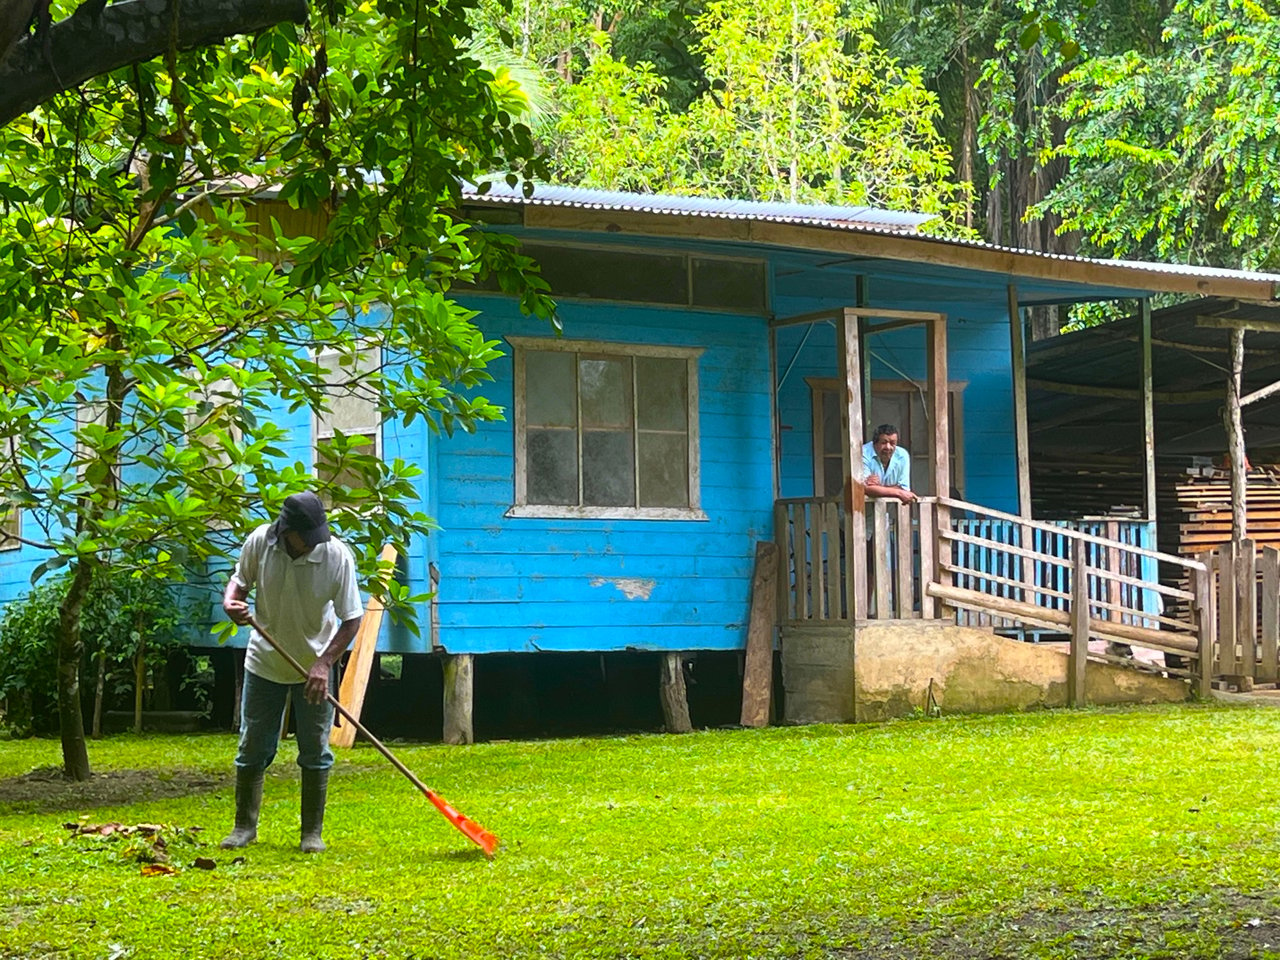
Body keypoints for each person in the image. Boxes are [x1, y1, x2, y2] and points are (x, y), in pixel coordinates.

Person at [220, 491, 363, 854]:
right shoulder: (259, 543)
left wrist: (323, 664)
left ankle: (311, 833)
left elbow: (352, 619)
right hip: (264, 663)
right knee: (253, 747)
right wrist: (230, 600)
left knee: (315, 751)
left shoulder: (335, 556)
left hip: (313, 670)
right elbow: (240, 580)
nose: (315, 543)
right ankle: (243, 827)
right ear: (285, 531)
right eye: (307, 536)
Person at [861, 423, 918, 503]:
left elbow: (904, 488)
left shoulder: (902, 455)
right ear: (875, 443)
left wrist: (877, 488)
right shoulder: (863, 453)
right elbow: (863, 488)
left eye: (892, 443)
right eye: (884, 442)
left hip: (882, 510)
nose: (888, 447)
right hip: (856, 509)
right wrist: (898, 492)